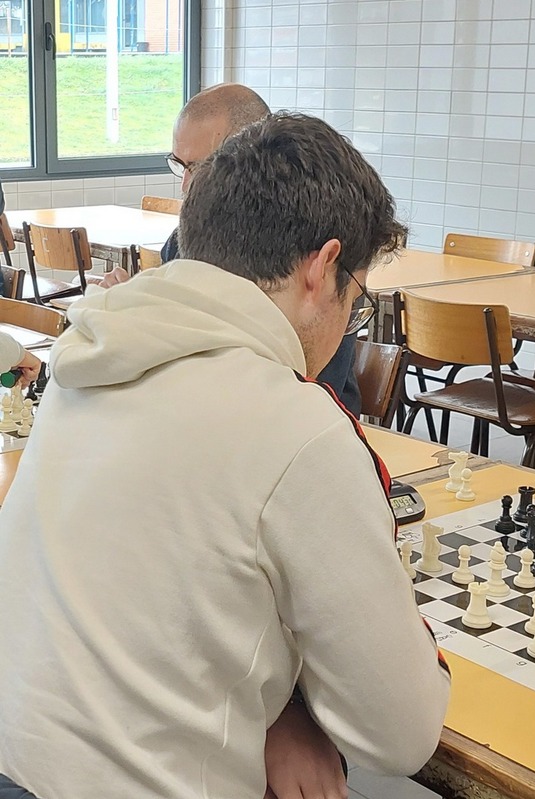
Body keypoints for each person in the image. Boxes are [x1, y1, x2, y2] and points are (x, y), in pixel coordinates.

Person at [0, 113, 451, 798]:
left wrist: (279, 711)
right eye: (354, 299)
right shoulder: (297, 427)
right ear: (322, 268)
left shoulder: (87, 353)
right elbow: (399, 732)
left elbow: (158, 604)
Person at [101, 83, 363, 415]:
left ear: (253, 157)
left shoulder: (306, 257)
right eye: (180, 166)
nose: (186, 185)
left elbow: (304, 388)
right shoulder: (186, 238)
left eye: (201, 167)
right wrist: (137, 307)